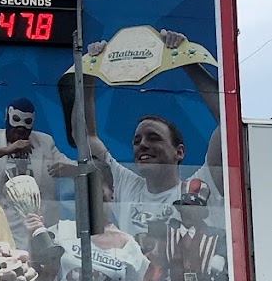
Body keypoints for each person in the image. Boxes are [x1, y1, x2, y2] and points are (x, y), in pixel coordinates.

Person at [66, 28, 225, 239]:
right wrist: (90, 69)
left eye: (154, 138)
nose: (143, 144)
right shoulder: (126, 186)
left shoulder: (201, 186)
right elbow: (86, 137)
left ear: (179, 152)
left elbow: (227, 120)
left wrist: (187, 58)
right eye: (136, 140)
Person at [25, 160, 149, 281]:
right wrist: (34, 236)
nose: (90, 196)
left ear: (111, 192)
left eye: (96, 189)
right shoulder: (62, 230)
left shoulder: (128, 244)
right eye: (82, 189)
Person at [0, 97, 64, 236]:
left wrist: (72, 169)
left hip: (34, 221)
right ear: (7, 118)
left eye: (26, 123)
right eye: (16, 121)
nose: (21, 129)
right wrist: (6, 150)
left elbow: (67, 164)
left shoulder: (44, 142)